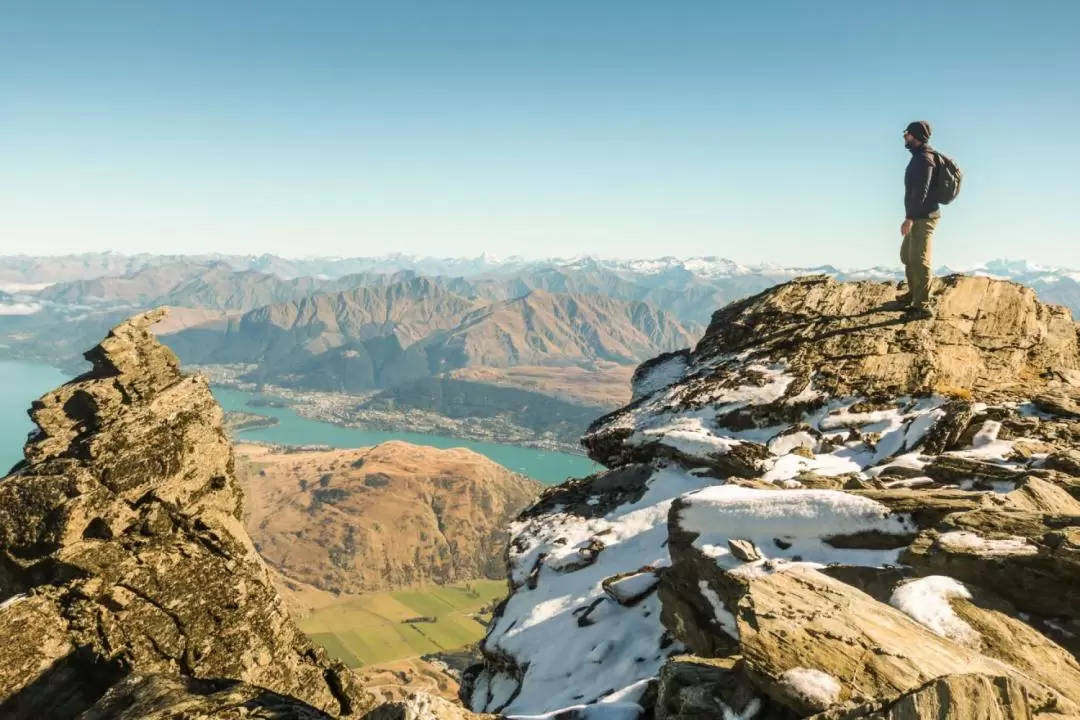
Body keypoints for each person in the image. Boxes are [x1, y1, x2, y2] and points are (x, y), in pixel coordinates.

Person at [898, 120, 940, 320]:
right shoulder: (917, 157)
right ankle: (914, 295)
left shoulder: (925, 159)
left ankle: (922, 306)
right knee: (907, 257)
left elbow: (921, 192)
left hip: (924, 217)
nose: (905, 136)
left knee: (920, 260)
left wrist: (910, 218)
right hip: (917, 216)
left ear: (916, 135)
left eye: (907, 133)